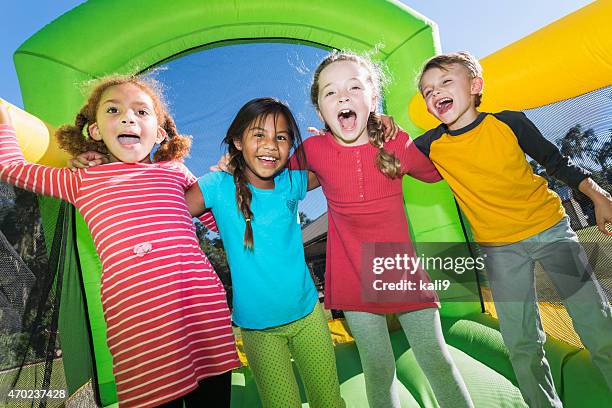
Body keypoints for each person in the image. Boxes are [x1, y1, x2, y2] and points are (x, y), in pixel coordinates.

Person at [0, 76, 240, 408]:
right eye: (114, 110)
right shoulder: (82, 180)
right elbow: (12, 168)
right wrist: (3, 115)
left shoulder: (175, 172)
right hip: (140, 329)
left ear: (159, 133)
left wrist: (226, 186)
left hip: (203, 314)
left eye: (141, 112)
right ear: (95, 130)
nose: (128, 118)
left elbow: (224, 224)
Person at [415, 51, 612, 407]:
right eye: (427, 91)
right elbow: (387, 160)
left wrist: (598, 195)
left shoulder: (508, 123)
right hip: (499, 250)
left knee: (595, 321)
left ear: (474, 86)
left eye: (445, 82)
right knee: (522, 343)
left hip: (549, 230)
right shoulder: (430, 146)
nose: (435, 93)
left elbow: (556, 162)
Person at [293, 50, 474, 408]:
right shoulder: (313, 149)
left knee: (437, 360)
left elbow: (437, 170)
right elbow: (277, 176)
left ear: (372, 99)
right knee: (378, 368)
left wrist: (439, 129)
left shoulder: (395, 142)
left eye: (354, 87)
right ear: (319, 110)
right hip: (351, 274)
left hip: (399, 269)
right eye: (330, 92)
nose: (343, 97)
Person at [185, 97, 344, 408]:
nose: (271, 145)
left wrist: (331, 136)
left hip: (308, 315)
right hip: (259, 330)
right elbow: (169, 206)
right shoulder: (217, 184)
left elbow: (332, 164)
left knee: (329, 400)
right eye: (259, 135)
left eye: (281, 137)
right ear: (237, 141)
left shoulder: (290, 182)